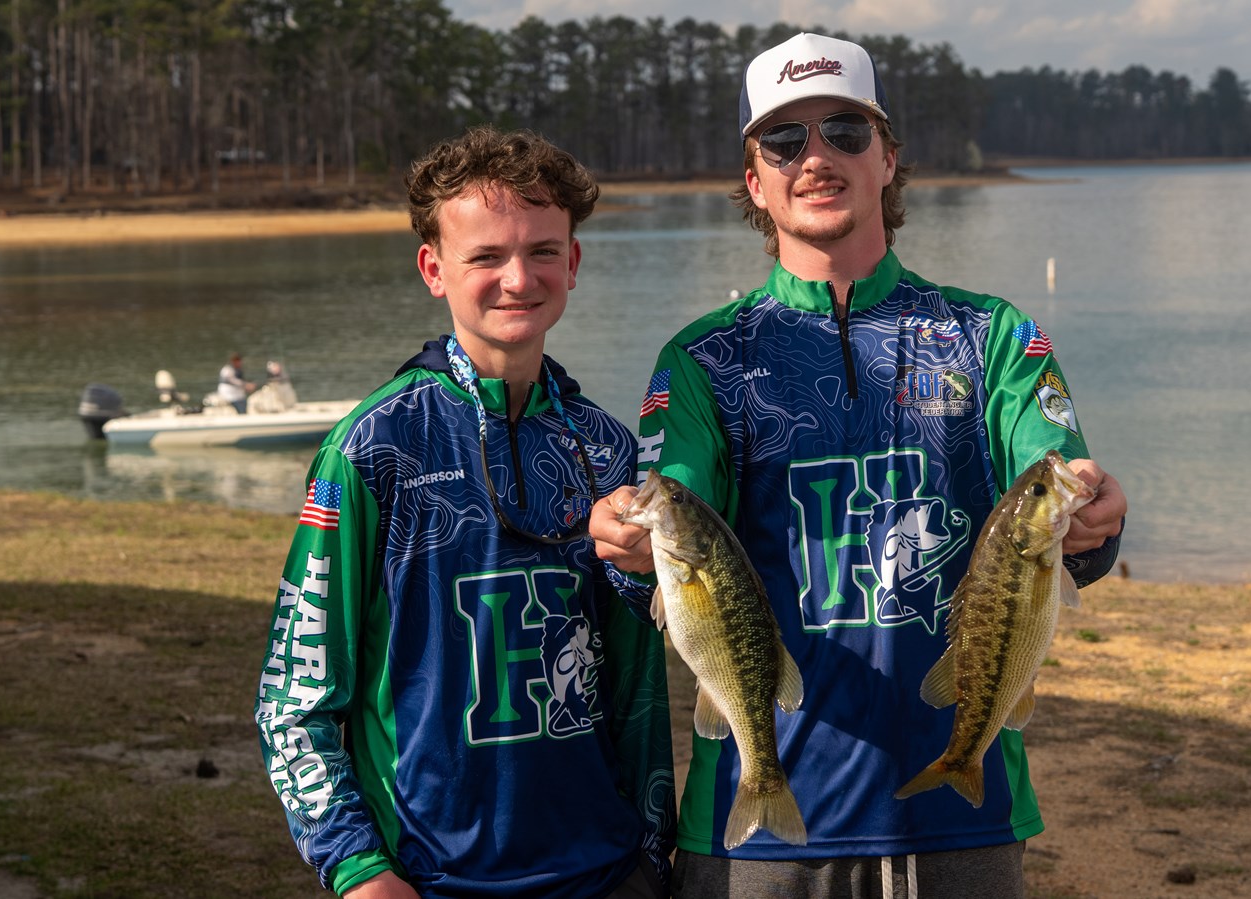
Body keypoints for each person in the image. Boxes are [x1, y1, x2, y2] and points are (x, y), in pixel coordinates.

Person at [591, 32, 1127, 899]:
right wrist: (623, 539)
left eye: (844, 130)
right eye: (784, 140)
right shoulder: (702, 360)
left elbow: (1059, 479)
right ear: (755, 177)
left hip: (964, 819)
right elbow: (673, 512)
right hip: (758, 831)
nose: (816, 158)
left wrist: (1096, 517)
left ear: (888, 157)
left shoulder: (992, 338)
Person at [254, 127, 674, 899]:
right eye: (486, 256)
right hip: (433, 879)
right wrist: (359, 870)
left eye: (544, 251)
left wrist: (653, 853)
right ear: (434, 268)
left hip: (606, 873)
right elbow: (294, 700)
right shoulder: (372, 450)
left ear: (573, 263)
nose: (518, 278)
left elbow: (639, 691)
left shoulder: (610, 452)